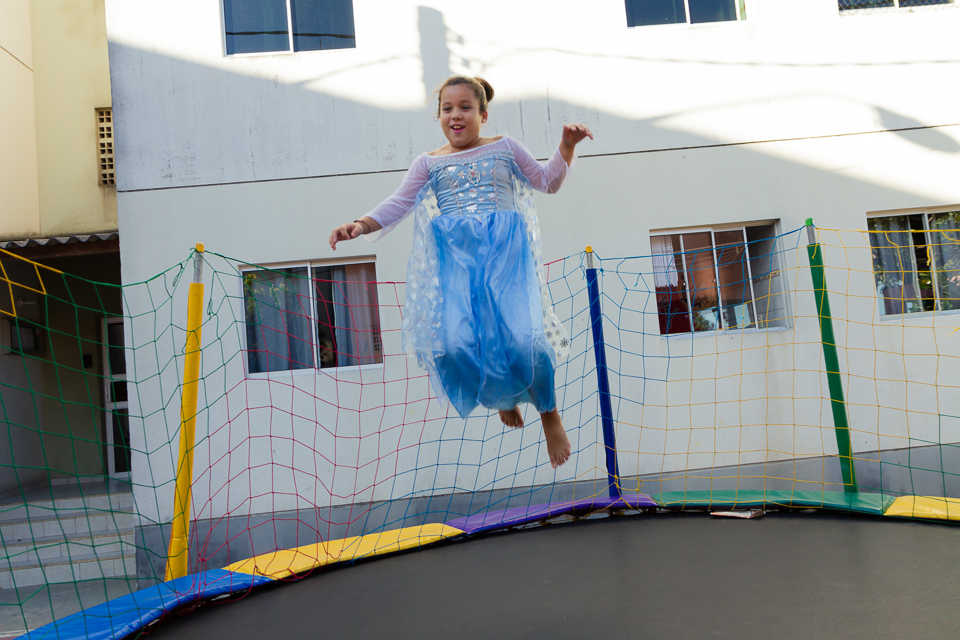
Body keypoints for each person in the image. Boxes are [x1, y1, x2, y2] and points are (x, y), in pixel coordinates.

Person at [329, 76, 593, 468]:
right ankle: (503, 399)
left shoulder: (504, 147)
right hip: (458, 265)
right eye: (447, 108)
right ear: (438, 117)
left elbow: (546, 182)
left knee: (525, 342)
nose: (456, 115)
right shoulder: (429, 163)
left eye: (465, 108)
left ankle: (548, 412)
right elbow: (399, 202)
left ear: (482, 115)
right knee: (455, 347)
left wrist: (566, 148)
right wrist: (361, 224)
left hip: (506, 263)